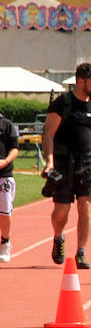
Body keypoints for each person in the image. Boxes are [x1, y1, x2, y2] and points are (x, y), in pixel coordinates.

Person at [42, 62, 91, 269]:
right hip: (63, 164)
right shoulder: (62, 104)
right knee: (61, 211)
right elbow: (48, 134)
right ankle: (58, 237)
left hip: (88, 164)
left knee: (86, 205)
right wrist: (49, 161)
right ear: (80, 81)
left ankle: (81, 252)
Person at [0, 108, 18, 263]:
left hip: (3, 176)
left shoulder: (6, 125)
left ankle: (5, 241)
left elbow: (15, 148)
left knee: (4, 213)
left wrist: (5, 161)